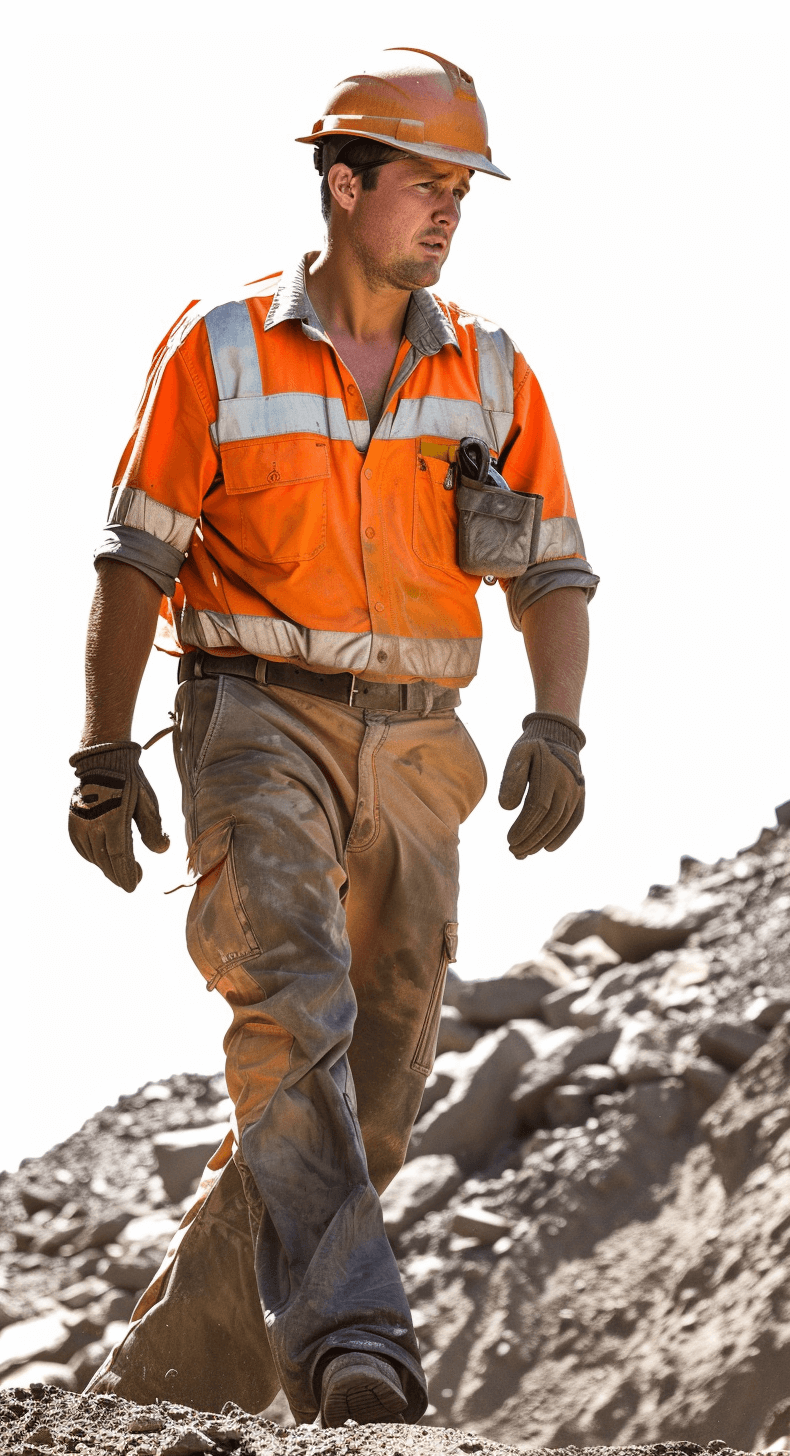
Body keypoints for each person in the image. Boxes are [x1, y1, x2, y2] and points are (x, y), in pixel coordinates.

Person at [69, 48, 599, 1428]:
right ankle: (361, 1341)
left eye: (462, 191)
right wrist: (104, 751)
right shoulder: (221, 348)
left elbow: (551, 567)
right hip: (255, 716)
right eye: (425, 183)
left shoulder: (488, 369)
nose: (448, 212)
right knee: (292, 1005)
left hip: (424, 747)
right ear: (342, 180)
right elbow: (133, 563)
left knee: (381, 1065)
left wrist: (558, 719)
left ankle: (182, 1357)